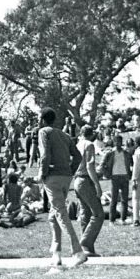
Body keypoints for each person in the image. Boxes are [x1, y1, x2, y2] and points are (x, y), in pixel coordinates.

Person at [37, 108, 87, 267]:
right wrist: (70, 170)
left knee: (60, 213)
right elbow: (78, 156)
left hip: (52, 176)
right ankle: (56, 253)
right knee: (53, 214)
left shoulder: (44, 132)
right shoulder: (64, 135)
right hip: (66, 176)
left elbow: (45, 154)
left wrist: (42, 173)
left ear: (43, 119)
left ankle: (78, 251)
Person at [72, 125, 104, 256]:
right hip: (85, 180)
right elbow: (90, 165)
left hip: (77, 180)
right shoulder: (89, 145)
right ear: (91, 134)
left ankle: (87, 249)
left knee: (85, 214)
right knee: (98, 214)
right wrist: (97, 184)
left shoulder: (78, 144)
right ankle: (85, 242)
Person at [102, 136, 132, 224]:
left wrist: (129, 174)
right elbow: (102, 164)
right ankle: (112, 220)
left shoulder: (126, 153)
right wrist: (107, 174)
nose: (118, 143)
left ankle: (123, 219)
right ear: (114, 142)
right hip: (114, 177)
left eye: (120, 141)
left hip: (124, 177)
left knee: (124, 199)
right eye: (116, 141)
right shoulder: (110, 153)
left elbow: (130, 164)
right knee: (114, 199)